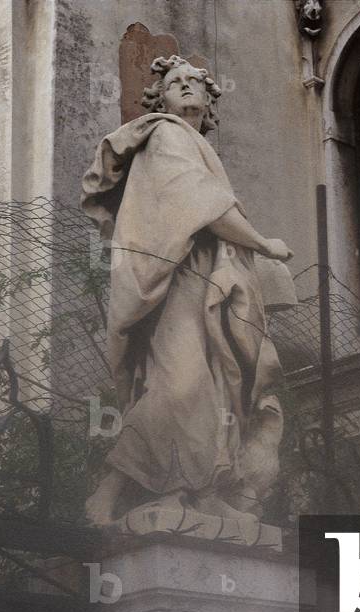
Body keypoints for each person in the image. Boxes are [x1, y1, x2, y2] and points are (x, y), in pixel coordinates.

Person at [80, 55, 293, 525]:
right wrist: (262, 243)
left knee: (217, 392)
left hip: (204, 280)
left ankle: (194, 491)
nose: (188, 89)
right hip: (176, 280)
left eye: (196, 83)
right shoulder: (166, 134)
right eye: (176, 83)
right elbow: (203, 205)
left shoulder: (197, 145)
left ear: (209, 101)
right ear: (161, 98)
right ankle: (109, 490)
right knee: (182, 387)